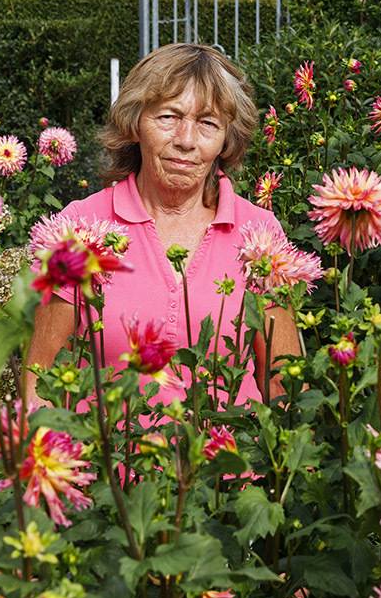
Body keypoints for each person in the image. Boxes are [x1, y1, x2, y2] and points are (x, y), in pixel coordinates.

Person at [28, 43, 301, 405]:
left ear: (225, 139)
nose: (186, 141)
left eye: (207, 123)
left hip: (226, 458)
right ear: (136, 123)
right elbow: (41, 385)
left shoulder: (259, 234)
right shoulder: (81, 227)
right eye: (169, 117)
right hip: (108, 457)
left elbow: (284, 386)